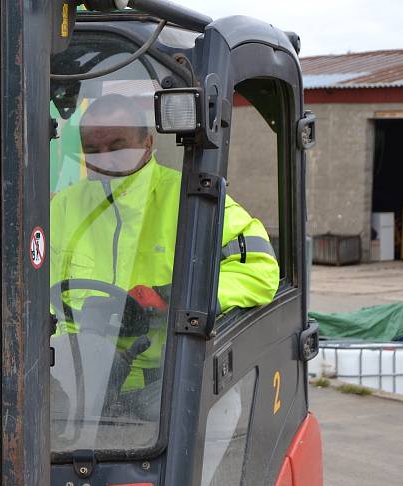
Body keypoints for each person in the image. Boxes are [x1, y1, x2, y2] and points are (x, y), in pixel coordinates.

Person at [50, 93, 279, 394]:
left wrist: (170, 298)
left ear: (148, 143)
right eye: (93, 151)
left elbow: (259, 269)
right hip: (79, 382)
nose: (105, 160)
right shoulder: (63, 208)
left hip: (167, 387)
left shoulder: (194, 201)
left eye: (117, 147)